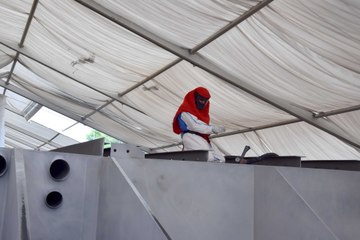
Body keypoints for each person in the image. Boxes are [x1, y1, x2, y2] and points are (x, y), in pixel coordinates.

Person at [172, 87, 226, 162]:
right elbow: (194, 125)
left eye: (205, 101)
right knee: (207, 157)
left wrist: (213, 127)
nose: (203, 103)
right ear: (194, 98)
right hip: (190, 136)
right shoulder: (185, 111)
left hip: (203, 137)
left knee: (221, 159)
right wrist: (212, 129)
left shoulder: (202, 115)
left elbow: (202, 124)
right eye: (201, 100)